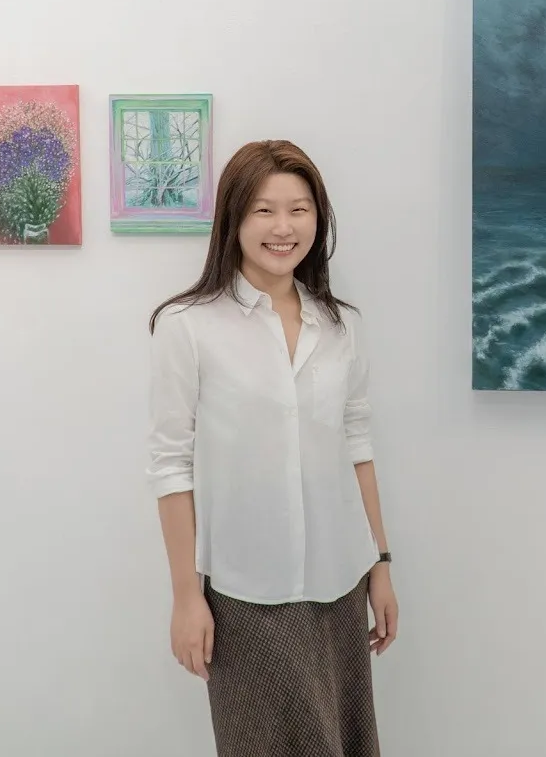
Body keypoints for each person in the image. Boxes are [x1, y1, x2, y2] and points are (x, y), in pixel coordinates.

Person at [145, 138, 398, 757]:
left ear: (319, 217)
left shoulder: (342, 325)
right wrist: (186, 597)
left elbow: (355, 442)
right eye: (263, 209)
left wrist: (381, 564)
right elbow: (171, 466)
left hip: (341, 582)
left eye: (299, 208)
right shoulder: (187, 325)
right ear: (233, 220)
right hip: (244, 593)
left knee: (346, 741)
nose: (283, 227)